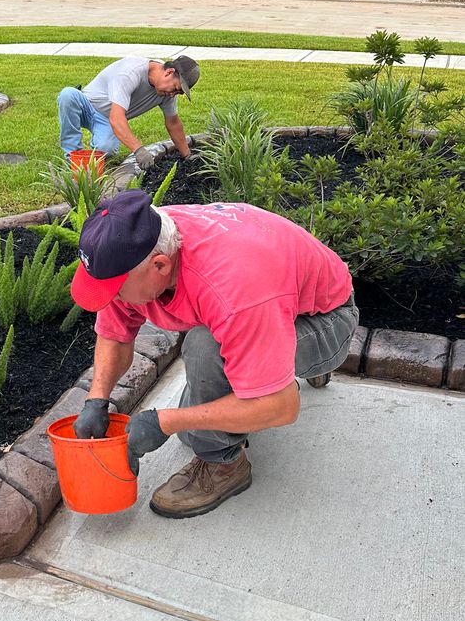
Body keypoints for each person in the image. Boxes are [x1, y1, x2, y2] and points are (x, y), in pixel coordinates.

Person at [69, 190, 358, 517]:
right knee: (196, 428)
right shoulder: (138, 241)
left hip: (325, 318)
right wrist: (97, 399)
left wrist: (165, 421)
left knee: (205, 351)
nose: (113, 297)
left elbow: (280, 406)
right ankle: (267, 352)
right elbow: (115, 333)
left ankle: (224, 467)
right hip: (270, 297)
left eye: (117, 288)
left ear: (160, 266)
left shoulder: (234, 290)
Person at [57, 56, 200, 169]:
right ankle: (73, 158)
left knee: (107, 148)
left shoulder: (165, 91)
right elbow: (117, 118)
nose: (172, 94)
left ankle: (87, 164)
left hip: (106, 120)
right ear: (169, 72)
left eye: (178, 93)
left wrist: (187, 156)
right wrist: (139, 150)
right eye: (175, 88)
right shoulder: (130, 72)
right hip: (86, 105)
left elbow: (173, 123)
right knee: (68, 95)